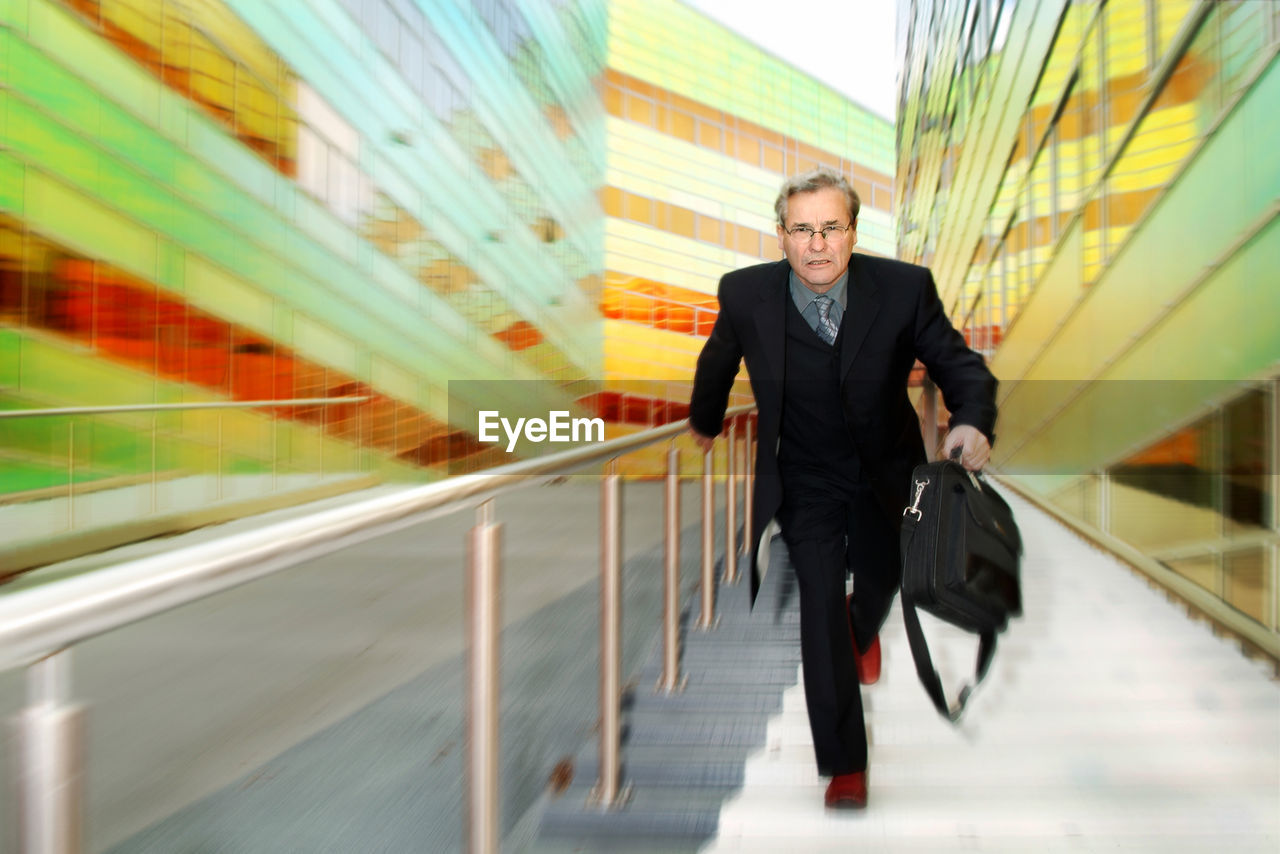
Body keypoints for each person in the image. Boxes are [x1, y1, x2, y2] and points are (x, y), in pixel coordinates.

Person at [687, 167, 997, 809]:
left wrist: (969, 418)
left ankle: (865, 627)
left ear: (853, 233)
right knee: (820, 604)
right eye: (802, 229)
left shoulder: (904, 289)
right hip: (804, 476)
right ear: (782, 236)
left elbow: (957, 361)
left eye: (831, 227)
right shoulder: (745, 294)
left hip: (887, 471)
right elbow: (717, 359)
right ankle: (845, 764)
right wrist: (706, 420)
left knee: (883, 578)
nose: (817, 242)